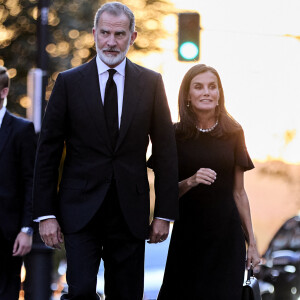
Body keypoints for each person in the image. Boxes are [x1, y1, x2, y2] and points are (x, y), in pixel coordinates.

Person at [32, 2, 178, 300]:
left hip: (130, 212)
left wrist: (164, 213)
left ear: (132, 37)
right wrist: (45, 214)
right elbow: (47, 152)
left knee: (126, 294)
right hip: (79, 210)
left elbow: (165, 151)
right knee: (82, 290)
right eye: (105, 33)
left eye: (120, 34)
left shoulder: (151, 83)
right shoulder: (69, 83)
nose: (112, 42)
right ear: (94, 33)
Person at [156, 64, 260, 300]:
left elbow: (239, 193)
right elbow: (166, 192)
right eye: (199, 87)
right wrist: (191, 181)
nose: (206, 92)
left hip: (227, 238)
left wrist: (251, 243)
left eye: (212, 87)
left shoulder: (234, 132)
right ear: (188, 95)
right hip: (188, 236)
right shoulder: (174, 134)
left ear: (219, 93)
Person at [0, 66, 36, 299]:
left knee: (7, 292)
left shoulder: (22, 130)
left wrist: (26, 230)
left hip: (8, 232)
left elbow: (31, 181)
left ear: (3, 92)